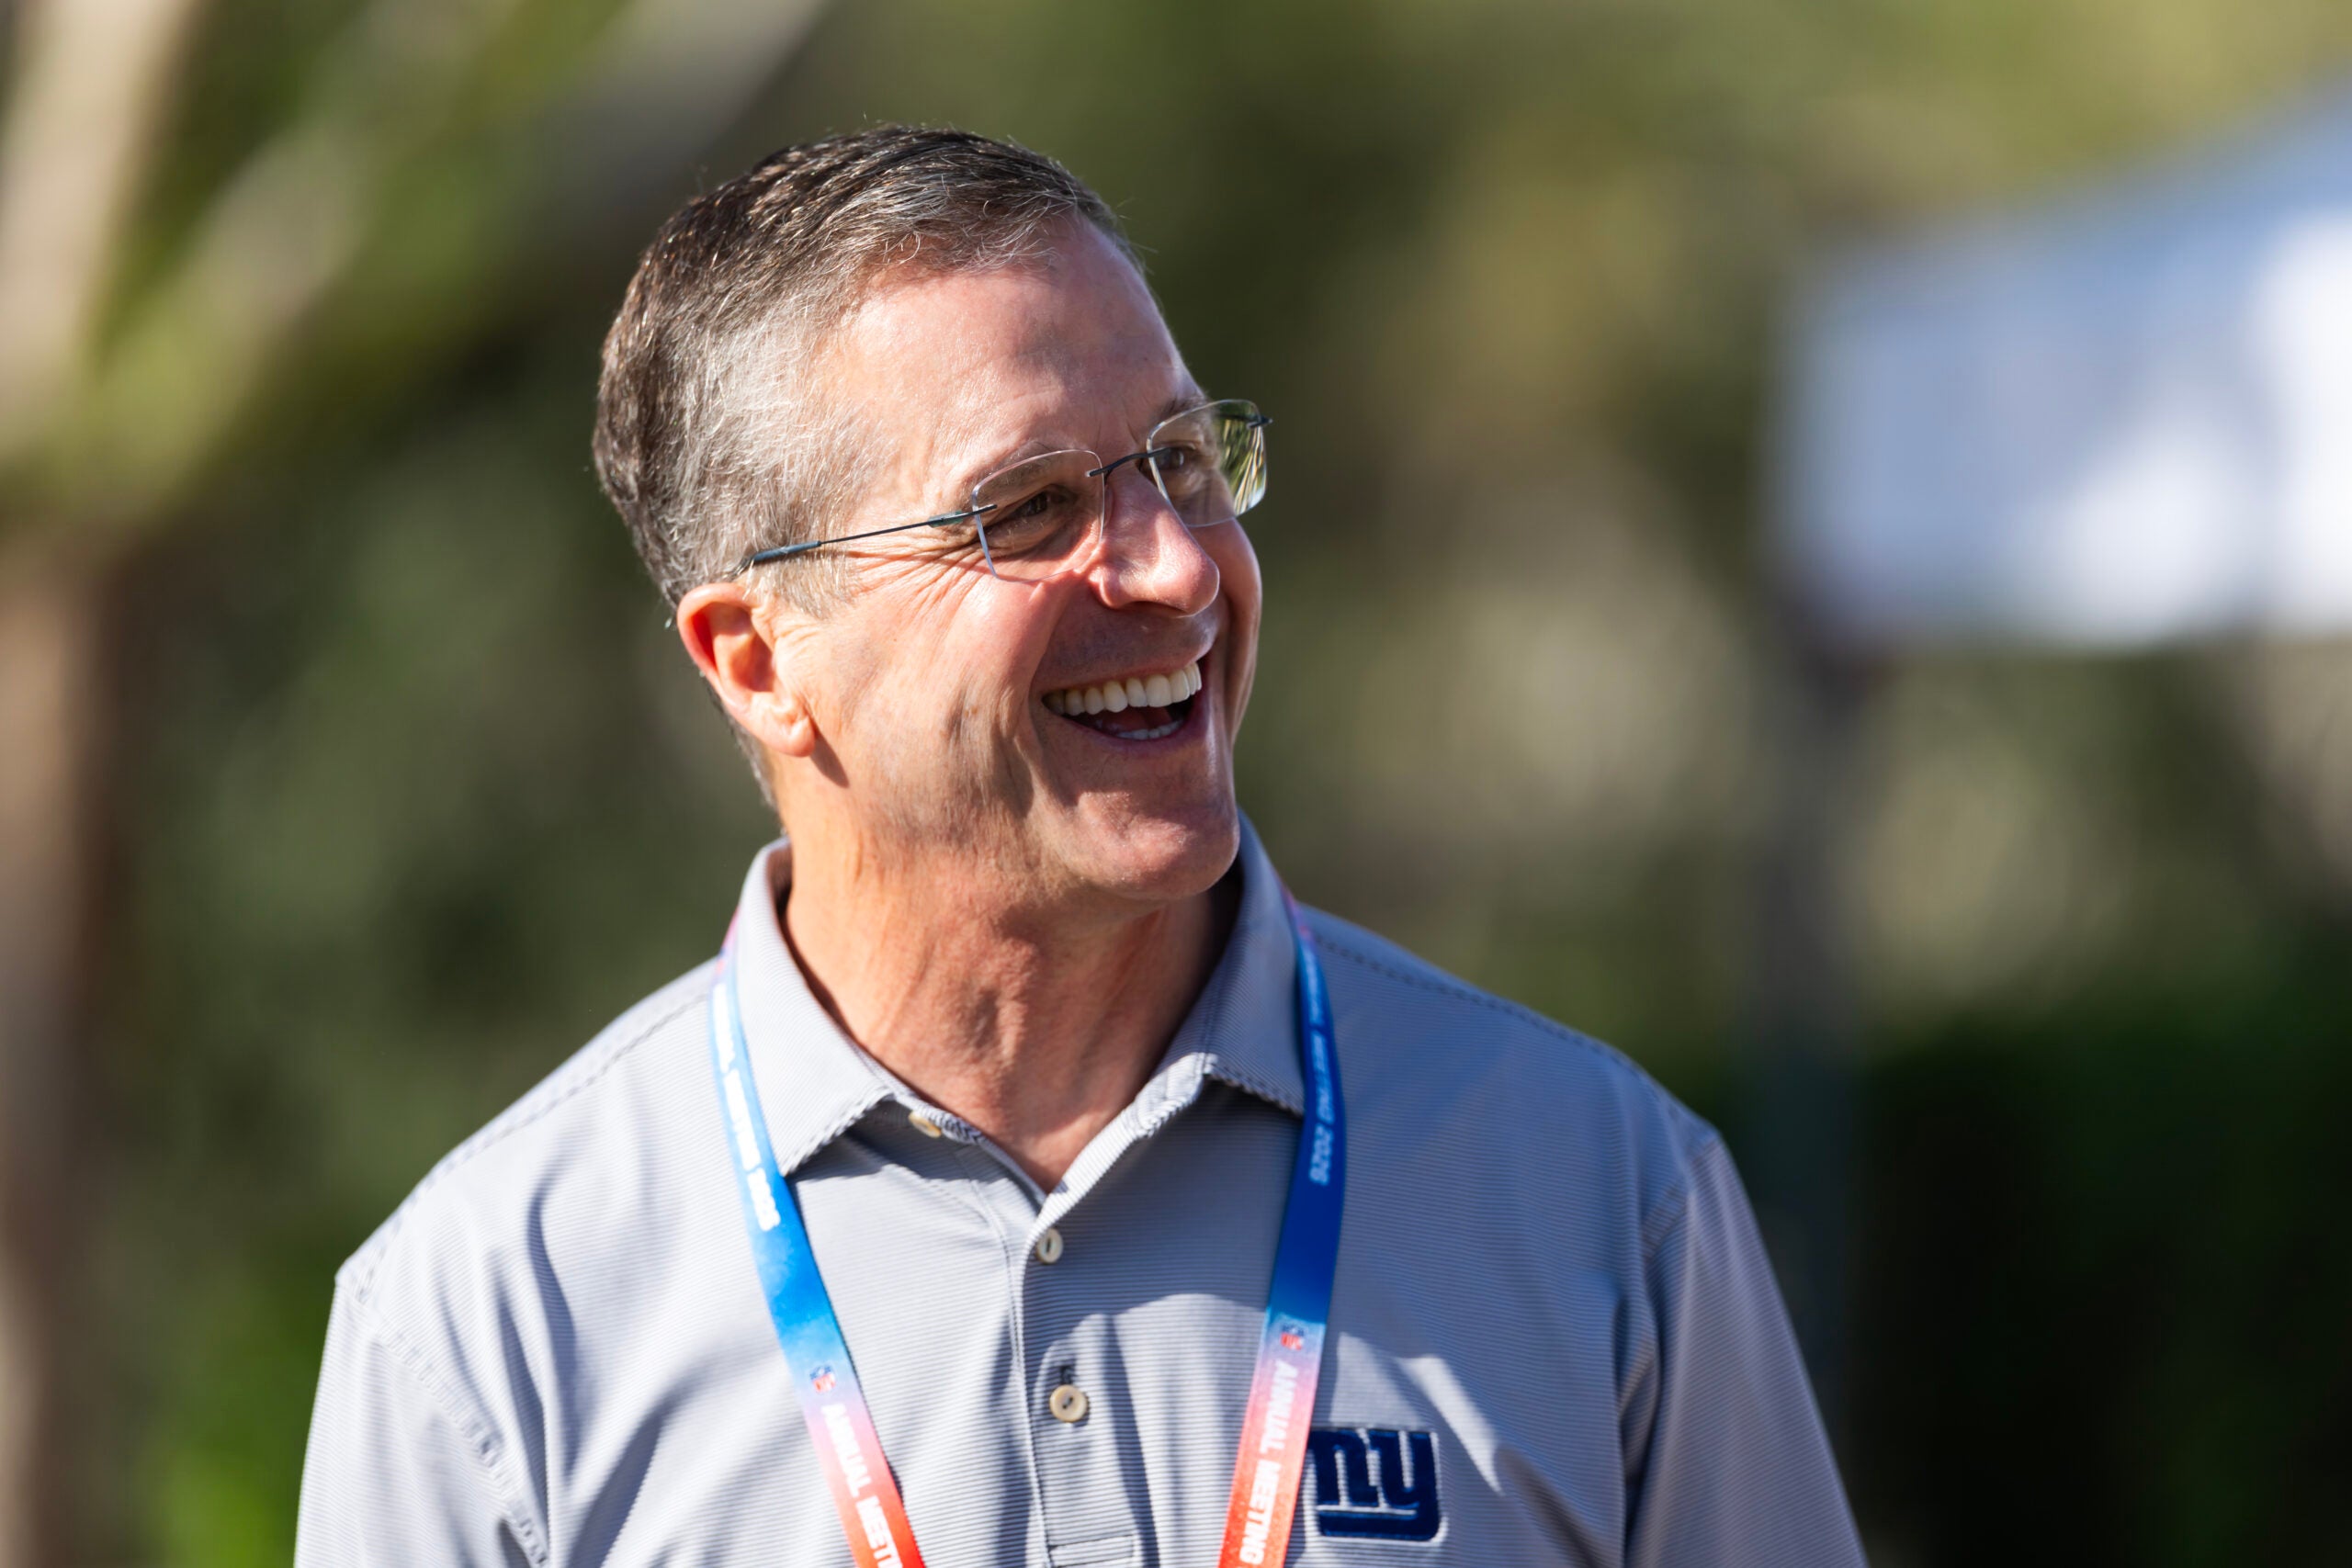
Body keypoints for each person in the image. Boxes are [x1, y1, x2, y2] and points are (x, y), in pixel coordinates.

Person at [295, 126, 1866, 1568]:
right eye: (1032, 508)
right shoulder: (487, 1321)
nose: (1179, 565)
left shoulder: (1604, 1200)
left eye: (1182, 463)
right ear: (758, 661)